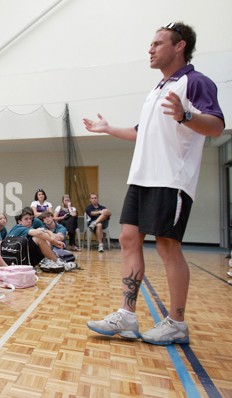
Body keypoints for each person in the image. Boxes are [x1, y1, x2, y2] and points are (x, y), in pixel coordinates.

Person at [84, 22, 225, 345]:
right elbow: (139, 133)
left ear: (180, 46)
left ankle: (176, 322)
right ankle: (127, 315)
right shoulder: (157, 90)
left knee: (167, 245)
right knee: (130, 238)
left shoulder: (195, 82)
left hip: (170, 180)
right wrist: (107, 129)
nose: (150, 49)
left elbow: (216, 126)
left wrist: (186, 116)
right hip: (142, 178)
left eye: (158, 43)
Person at [7, 208, 76, 271]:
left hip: (19, 257)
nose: (29, 221)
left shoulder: (60, 227)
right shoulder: (18, 228)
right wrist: (54, 241)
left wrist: (50, 236)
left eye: (30, 219)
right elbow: (39, 234)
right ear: (19, 221)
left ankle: (47, 260)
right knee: (39, 238)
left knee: (43, 237)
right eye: (26, 219)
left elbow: (45, 232)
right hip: (15, 259)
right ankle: (58, 262)